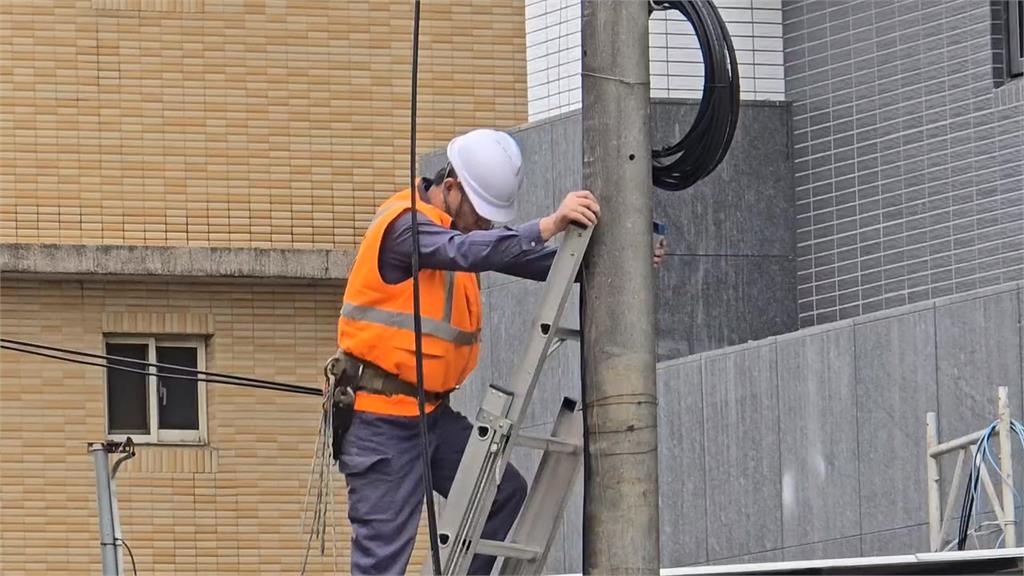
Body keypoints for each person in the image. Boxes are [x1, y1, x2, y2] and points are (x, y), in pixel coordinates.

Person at [334, 128, 663, 576]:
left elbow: (519, 257)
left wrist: (626, 260)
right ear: (450, 189)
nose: (485, 225)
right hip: (382, 422)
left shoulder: (460, 233)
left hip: (430, 416)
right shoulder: (405, 227)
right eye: (481, 214)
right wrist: (547, 224)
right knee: (382, 563)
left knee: (501, 492)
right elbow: (465, 250)